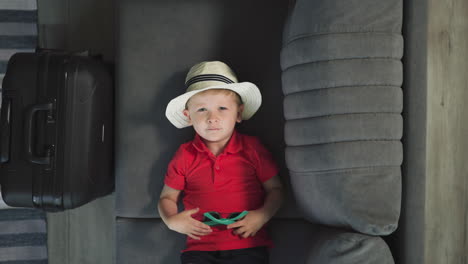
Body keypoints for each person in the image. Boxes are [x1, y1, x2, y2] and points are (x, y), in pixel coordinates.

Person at [159, 61, 284, 264]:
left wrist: (262, 216)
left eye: (222, 108)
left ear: (239, 113)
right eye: (201, 110)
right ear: (187, 116)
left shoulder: (252, 149)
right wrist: (172, 221)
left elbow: (276, 189)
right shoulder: (184, 155)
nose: (212, 118)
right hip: (199, 249)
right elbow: (167, 198)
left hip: (248, 246)